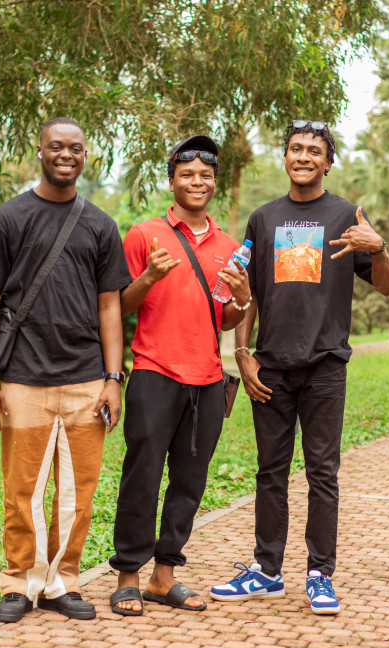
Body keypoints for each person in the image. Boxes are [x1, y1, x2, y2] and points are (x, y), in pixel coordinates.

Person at [210, 120, 389, 614]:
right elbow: (245, 295)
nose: (304, 156)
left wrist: (377, 248)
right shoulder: (263, 219)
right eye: (296, 148)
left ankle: (320, 575)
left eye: (315, 150)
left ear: (328, 162)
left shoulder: (345, 217)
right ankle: (267, 571)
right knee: (269, 472)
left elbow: (387, 287)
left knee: (322, 473)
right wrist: (243, 355)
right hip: (271, 366)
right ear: (286, 157)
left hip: (326, 365)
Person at [0, 117, 132, 623]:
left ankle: (62, 583)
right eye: (56, 146)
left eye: (74, 148)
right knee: (22, 489)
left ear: (85, 155)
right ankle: (18, 583)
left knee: (77, 493)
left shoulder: (100, 224)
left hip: (85, 378)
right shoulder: (7, 219)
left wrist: (112, 378)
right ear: (39, 151)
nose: (65, 154)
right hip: (23, 379)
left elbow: (109, 307)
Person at [108, 135, 252, 616]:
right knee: (142, 476)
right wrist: (148, 278)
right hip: (154, 372)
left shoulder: (230, 246)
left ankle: (163, 576)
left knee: (190, 482)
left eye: (205, 175)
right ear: (171, 180)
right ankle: (128, 574)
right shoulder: (143, 235)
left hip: (209, 378)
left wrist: (242, 297)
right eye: (187, 174)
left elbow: (225, 319)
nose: (197, 181)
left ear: (214, 184)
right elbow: (116, 307)